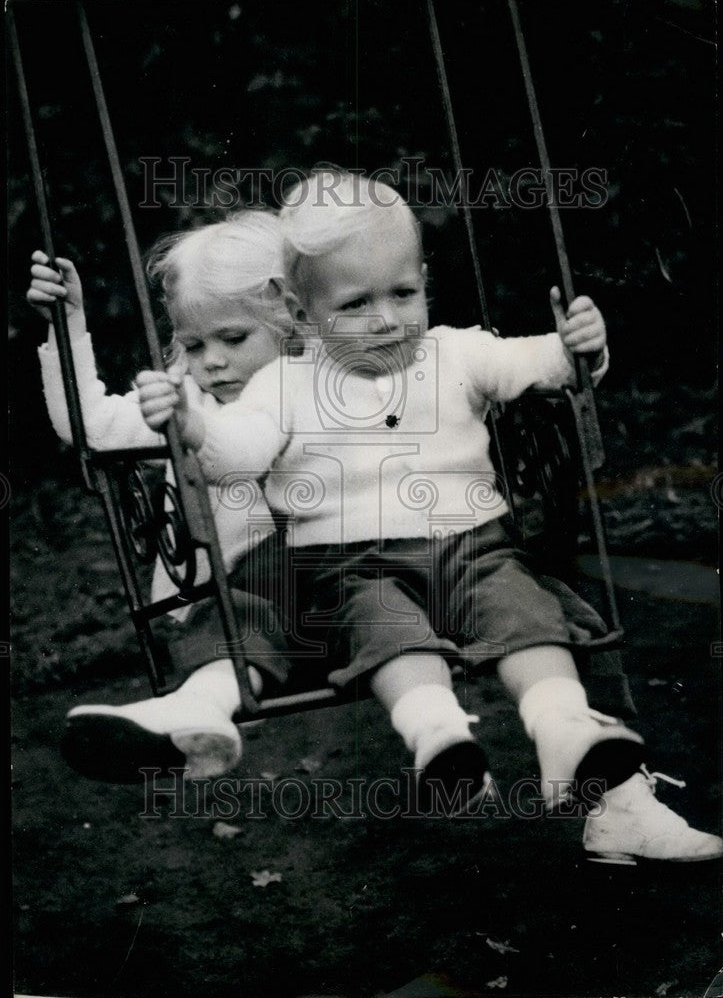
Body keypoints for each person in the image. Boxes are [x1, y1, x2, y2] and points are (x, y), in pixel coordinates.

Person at [137, 170, 722, 864]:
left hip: (474, 548)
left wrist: (579, 346)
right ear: (303, 311)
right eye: (356, 304)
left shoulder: (455, 349)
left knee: (525, 609)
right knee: (388, 629)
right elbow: (240, 452)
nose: (387, 319)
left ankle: (562, 728)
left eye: (403, 294)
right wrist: (195, 430)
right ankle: (440, 739)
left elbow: (540, 363)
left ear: (422, 281)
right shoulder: (286, 385)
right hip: (353, 564)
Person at [27, 210, 295, 782]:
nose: (212, 361)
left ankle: (197, 707)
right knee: (234, 610)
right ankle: (196, 717)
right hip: (235, 611)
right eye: (192, 345)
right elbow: (90, 426)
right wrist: (67, 325)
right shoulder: (183, 403)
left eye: (233, 337)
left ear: (293, 320)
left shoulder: (331, 394)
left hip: (345, 594)